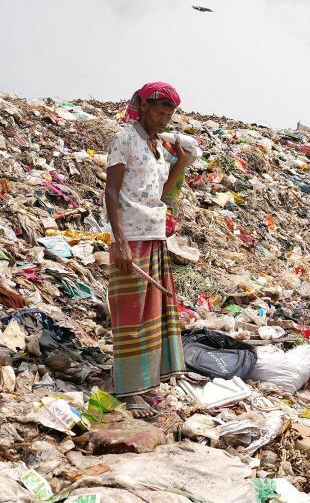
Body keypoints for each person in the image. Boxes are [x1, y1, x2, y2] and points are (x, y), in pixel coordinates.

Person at [103, 81, 194, 418]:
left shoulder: (159, 146)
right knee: (131, 313)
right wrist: (120, 241)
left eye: (169, 113)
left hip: (155, 235)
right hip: (131, 237)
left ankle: (147, 382)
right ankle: (128, 390)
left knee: (152, 313)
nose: (164, 118)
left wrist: (180, 165)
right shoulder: (125, 138)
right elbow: (111, 192)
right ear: (142, 106)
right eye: (159, 111)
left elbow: (163, 195)